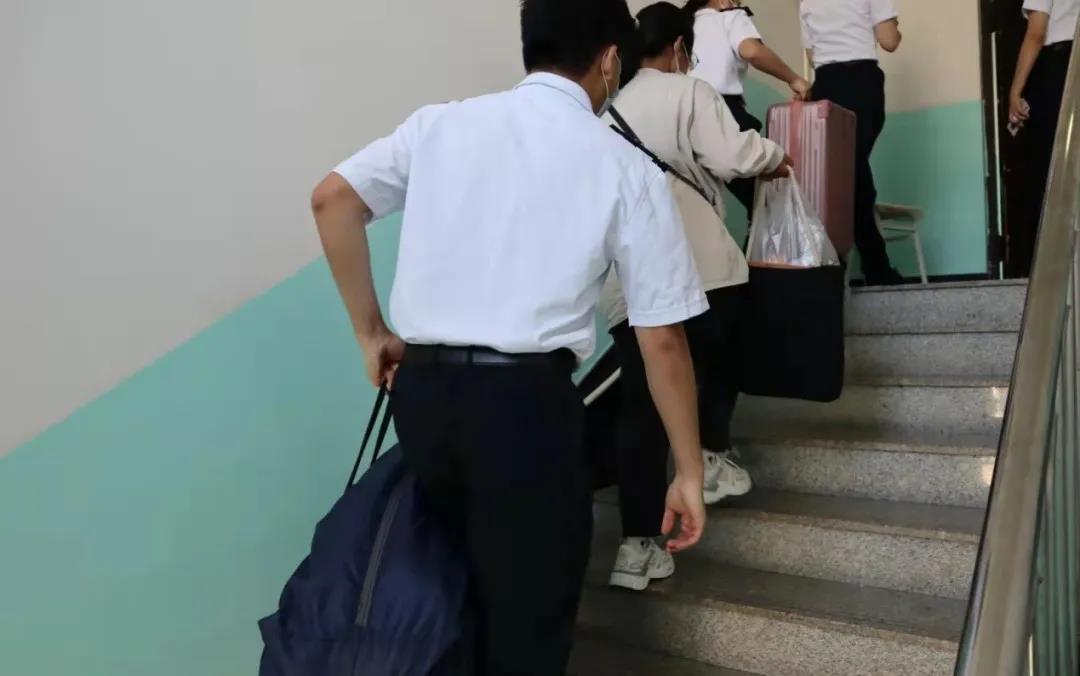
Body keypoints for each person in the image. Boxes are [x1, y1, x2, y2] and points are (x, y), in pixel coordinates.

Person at [310, 0, 711, 672]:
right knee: (529, 621)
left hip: (425, 397)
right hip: (526, 408)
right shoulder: (623, 166)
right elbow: (662, 339)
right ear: (611, 60)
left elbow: (332, 199)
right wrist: (690, 473)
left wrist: (371, 333)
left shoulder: (440, 125)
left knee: (440, 601)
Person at [599, 1, 791, 592]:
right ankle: (709, 456)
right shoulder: (690, 91)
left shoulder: (606, 111)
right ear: (681, 48)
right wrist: (778, 156)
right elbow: (736, 156)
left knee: (639, 409)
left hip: (627, 282)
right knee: (720, 357)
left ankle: (635, 549)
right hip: (699, 267)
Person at [800, 0, 904, 285]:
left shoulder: (807, 2)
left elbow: (812, 56)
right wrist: (895, 26)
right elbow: (890, 41)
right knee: (854, 176)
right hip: (861, 81)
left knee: (847, 175)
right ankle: (875, 269)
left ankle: (843, 268)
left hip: (825, 84)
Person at [685, 0, 810, 215]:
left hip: (686, 118)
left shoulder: (686, 25)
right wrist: (794, 79)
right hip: (721, 112)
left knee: (705, 204)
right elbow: (752, 51)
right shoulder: (729, 15)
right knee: (765, 203)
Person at [1007, 0, 1078, 277]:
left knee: (1046, 167)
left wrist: (1015, 90)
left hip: (1058, 66)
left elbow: (1037, 33)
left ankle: (1050, 267)